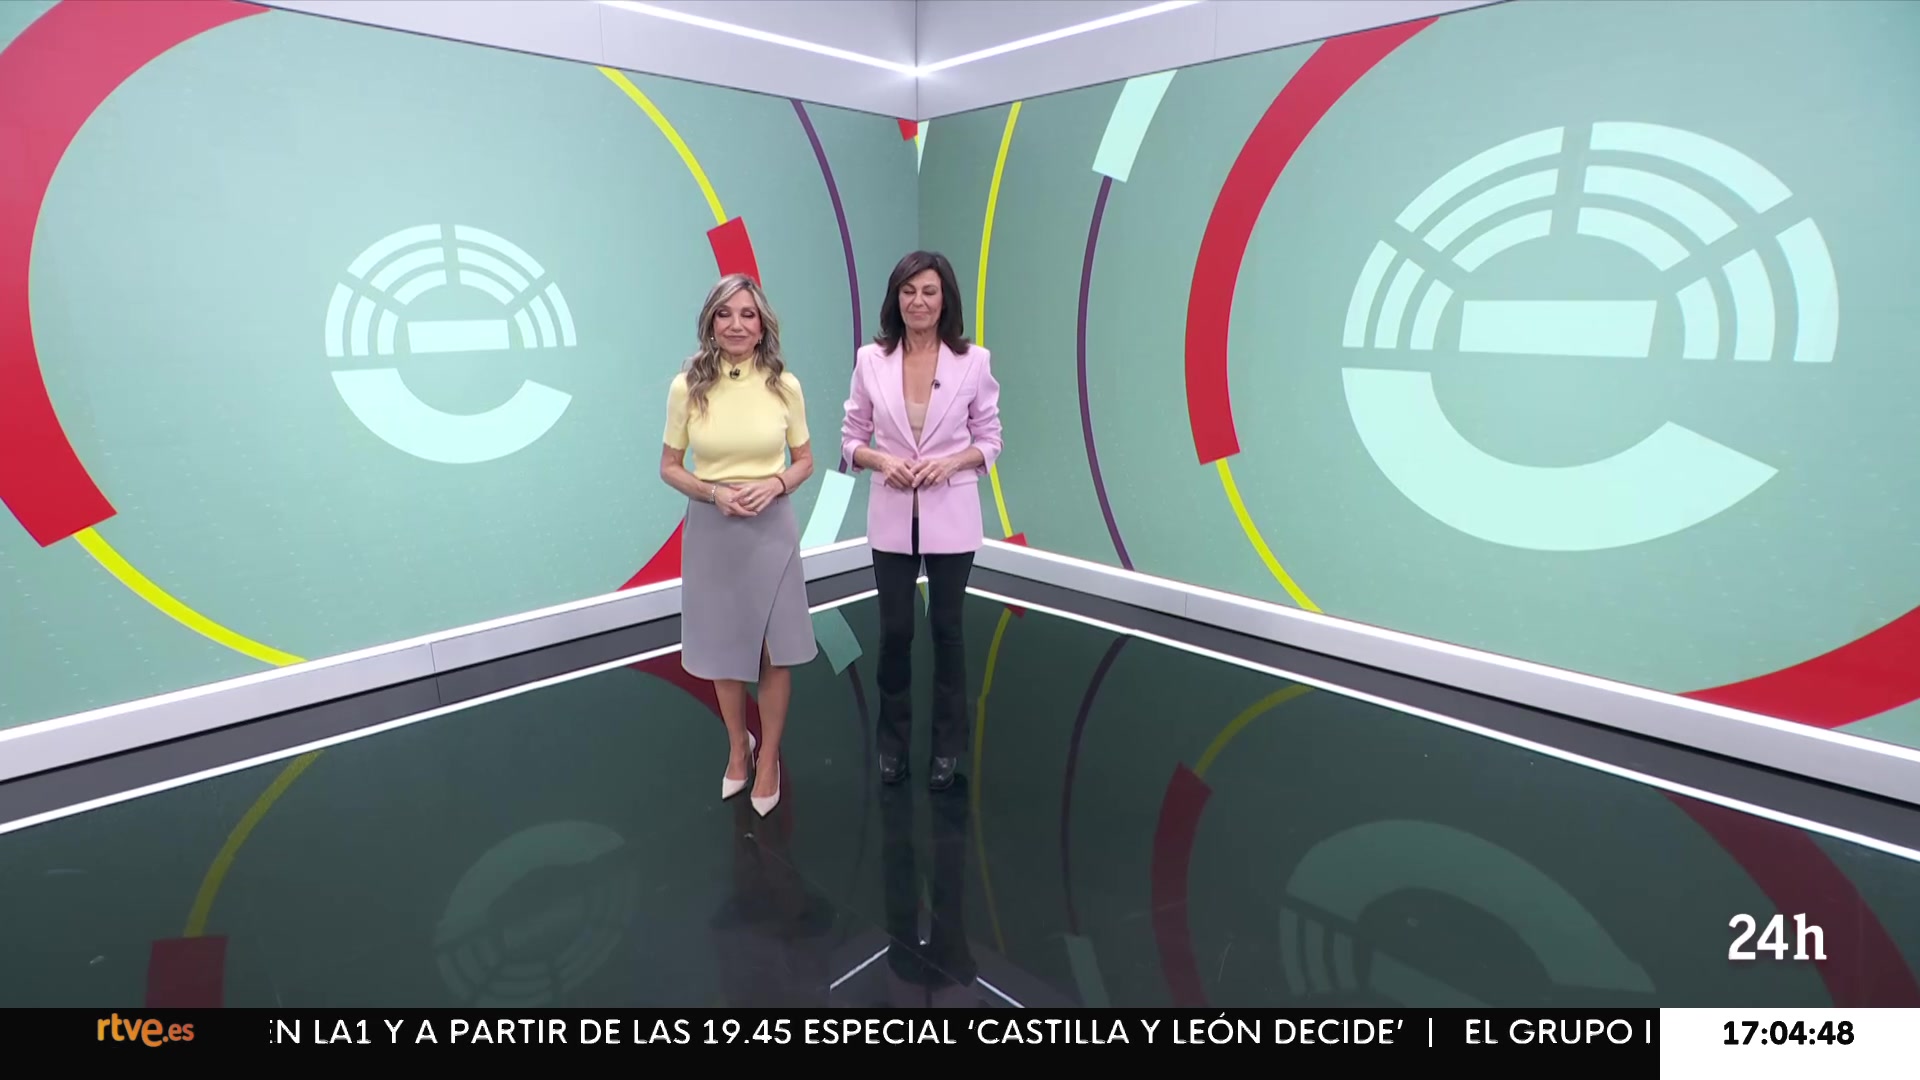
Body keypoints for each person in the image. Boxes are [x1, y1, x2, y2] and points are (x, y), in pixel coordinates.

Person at [840, 251, 1002, 790]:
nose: (918, 301)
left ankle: (948, 746)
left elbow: (990, 439)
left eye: (929, 291)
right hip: (892, 513)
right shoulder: (870, 360)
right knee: (895, 632)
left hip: (951, 512)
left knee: (947, 630)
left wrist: (952, 463)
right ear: (896, 299)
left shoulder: (973, 361)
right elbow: (851, 439)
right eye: (908, 291)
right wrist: (880, 460)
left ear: (945, 298)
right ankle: (892, 743)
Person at [659, 273, 817, 816]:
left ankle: (769, 757)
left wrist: (774, 484)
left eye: (747, 314)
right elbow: (669, 467)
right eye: (725, 314)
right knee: (724, 648)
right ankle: (737, 746)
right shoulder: (687, 387)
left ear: (762, 324)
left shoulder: (784, 385)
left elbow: (804, 461)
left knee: (774, 650)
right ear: (710, 323)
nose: (736, 324)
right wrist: (713, 493)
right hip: (713, 529)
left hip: (772, 529)